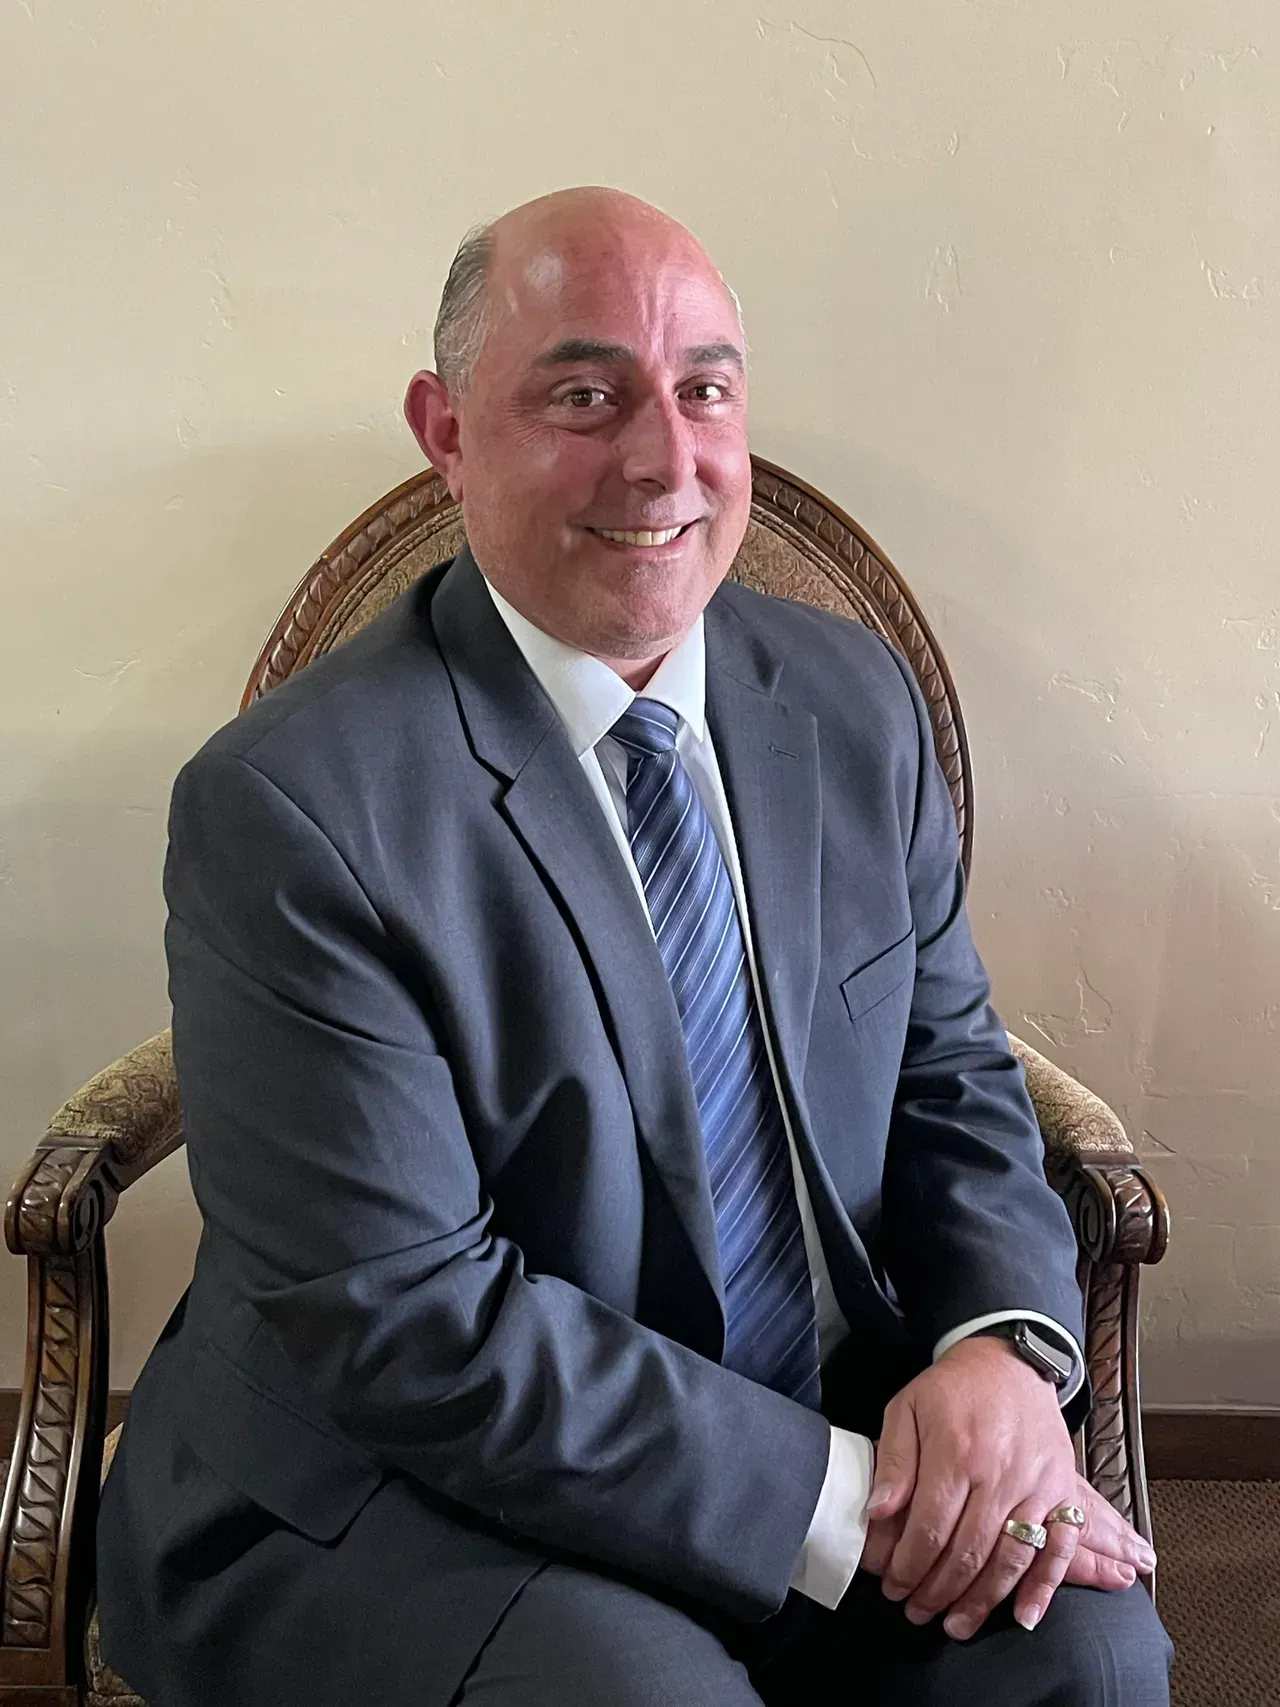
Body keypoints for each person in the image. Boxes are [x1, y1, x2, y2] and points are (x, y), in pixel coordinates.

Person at [98, 187, 1172, 1706]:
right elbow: (413, 1327)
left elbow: (951, 1073)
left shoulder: (850, 703)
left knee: (1091, 1658)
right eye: (586, 394)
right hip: (406, 1484)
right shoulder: (291, 807)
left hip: (818, 1409)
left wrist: (1000, 1354)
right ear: (448, 429)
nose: (667, 459)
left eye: (706, 389)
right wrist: (849, 1497)